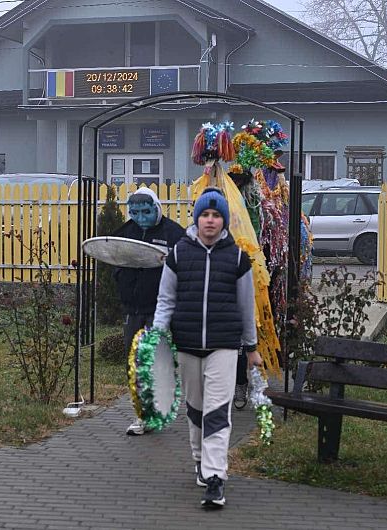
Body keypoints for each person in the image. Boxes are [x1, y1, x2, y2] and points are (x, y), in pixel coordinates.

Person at [152, 187, 262, 508]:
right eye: (205, 215)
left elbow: (246, 307)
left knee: (217, 411)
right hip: (187, 344)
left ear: (224, 221)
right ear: (196, 219)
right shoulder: (178, 254)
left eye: (216, 215)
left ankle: (216, 477)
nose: (210, 221)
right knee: (195, 409)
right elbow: (165, 300)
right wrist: (158, 335)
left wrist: (251, 347)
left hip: (223, 346)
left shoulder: (237, 258)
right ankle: (200, 460)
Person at [112, 187, 184, 435]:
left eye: (145, 212)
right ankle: (142, 413)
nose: (140, 217)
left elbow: (185, 266)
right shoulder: (126, 232)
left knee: (154, 358)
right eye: (135, 212)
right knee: (134, 360)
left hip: (160, 309)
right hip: (133, 308)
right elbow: (113, 255)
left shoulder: (173, 233)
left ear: (156, 208)